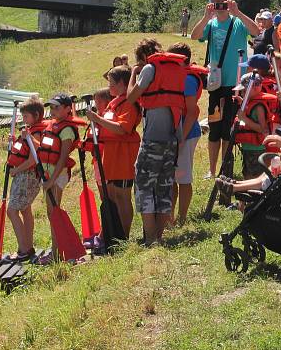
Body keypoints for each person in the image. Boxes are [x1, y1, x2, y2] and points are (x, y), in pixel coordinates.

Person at [190, 0, 259, 179]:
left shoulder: (238, 22)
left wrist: (238, 12)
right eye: (216, 2)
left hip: (235, 85)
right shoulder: (210, 24)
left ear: (229, 2)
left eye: (223, 1)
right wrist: (205, 17)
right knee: (214, 129)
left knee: (229, 129)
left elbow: (256, 31)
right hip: (216, 84)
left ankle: (225, 169)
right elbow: (194, 36)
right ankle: (212, 170)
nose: (220, 5)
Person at [126, 38, 186, 245]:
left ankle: (150, 239)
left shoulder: (150, 68)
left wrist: (133, 73)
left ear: (143, 56)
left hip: (152, 141)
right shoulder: (176, 69)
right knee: (163, 189)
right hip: (172, 141)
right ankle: (158, 238)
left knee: (143, 187)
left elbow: (131, 97)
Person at [86, 67, 142, 238]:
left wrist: (97, 119)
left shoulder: (128, 103)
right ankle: (114, 234)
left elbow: (123, 128)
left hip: (124, 156)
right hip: (110, 156)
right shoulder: (114, 103)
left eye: (111, 83)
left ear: (121, 84)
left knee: (122, 196)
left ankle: (124, 235)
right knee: (112, 195)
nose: (109, 86)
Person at [35, 93, 83, 262]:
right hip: (48, 175)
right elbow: (44, 150)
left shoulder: (67, 130)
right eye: (51, 107)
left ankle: (58, 253)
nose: (52, 110)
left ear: (68, 109)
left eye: (57, 107)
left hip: (57, 176)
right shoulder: (53, 126)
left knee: (54, 212)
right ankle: (56, 250)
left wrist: (50, 181)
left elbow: (62, 159)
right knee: (50, 213)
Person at [217, 119, 281, 195]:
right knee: (264, 176)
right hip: (278, 181)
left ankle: (234, 188)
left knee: (264, 180)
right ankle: (236, 183)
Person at [167, 42, 206, 226]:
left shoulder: (188, 80)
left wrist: (181, 138)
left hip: (187, 133)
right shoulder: (178, 76)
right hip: (177, 133)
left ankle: (182, 219)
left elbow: (193, 112)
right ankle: (170, 218)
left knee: (183, 178)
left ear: (181, 60)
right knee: (173, 177)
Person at [5, 98, 47, 261]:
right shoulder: (30, 131)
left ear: (36, 115)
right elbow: (24, 150)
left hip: (27, 176)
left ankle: (23, 250)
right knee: (25, 210)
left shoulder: (36, 132)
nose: (24, 120)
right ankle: (27, 246)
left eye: (26, 116)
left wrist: (16, 170)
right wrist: (15, 141)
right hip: (26, 176)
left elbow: (32, 160)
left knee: (12, 211)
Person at [235, 72, 281, 182]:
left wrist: (244, 118)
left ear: (255, 88)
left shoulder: (259, 106)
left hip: (256, 149)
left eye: (245, 90)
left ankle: (255, 197)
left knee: (253, 177)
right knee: (246, 174)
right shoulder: (250, 102)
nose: (242, 92)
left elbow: (263, 129)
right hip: (248, 148)